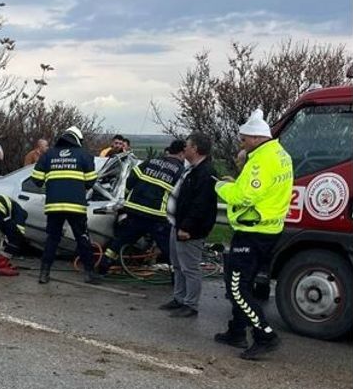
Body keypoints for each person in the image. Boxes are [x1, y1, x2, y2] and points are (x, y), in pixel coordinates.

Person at [214, 109, 292, 360]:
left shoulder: (261, 161)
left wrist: (222, 187)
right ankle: (236, 331)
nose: (242, 142)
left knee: (237, 287)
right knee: (242, 281)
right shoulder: (280, 154)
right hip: (269, 229)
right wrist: (236, 183)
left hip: (253, 232)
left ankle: (265, 335)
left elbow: (245, 195)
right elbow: (258, 189)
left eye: (244, 138)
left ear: (257, 138)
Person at [97, 139, 186, 279]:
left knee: (120, 241)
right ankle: (177, 279)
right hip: (157, 215)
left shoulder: (150, 162)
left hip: (134, 210)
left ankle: (103, 267)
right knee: (168, 248)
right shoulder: (180, 171)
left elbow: (131, 178)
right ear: (182, 153)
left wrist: (127, 197)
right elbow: (179, 196)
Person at [160, 134, 218, 318]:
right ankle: (179, 298)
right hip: (177, 224)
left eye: (187, 145)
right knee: (177, 265)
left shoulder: (206, 173)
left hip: (190, 229)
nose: (184, 149)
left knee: (189, 268)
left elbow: (200, 205)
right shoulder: (192, 169)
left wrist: (187, 227)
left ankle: (190, 304)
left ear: (196, 149)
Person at [32, 127, 98, 284]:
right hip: (76, 206)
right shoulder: (84, 155)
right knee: (82, 238)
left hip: (54, 205)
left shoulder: (48, 154)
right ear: (77, 139)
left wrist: (52, 182)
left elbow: (36, 179)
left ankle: (44, 273)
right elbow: (91, 181)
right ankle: (89, 273)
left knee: (52, 239)